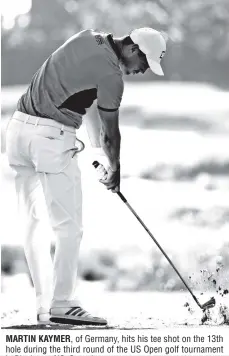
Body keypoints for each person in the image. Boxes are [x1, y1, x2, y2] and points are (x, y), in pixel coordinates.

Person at [6, 27, 167, 326]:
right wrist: (116, 171)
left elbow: (86, 103)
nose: (142, 70)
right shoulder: (112, 75)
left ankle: (45, 306)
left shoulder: (85, 37)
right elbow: (109, 135)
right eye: (144, 64)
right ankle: (64, 303)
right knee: (69, 227)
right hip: (51, 137)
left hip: (17, 132)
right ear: (133, 49)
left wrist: (99, 159)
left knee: (34, 225)